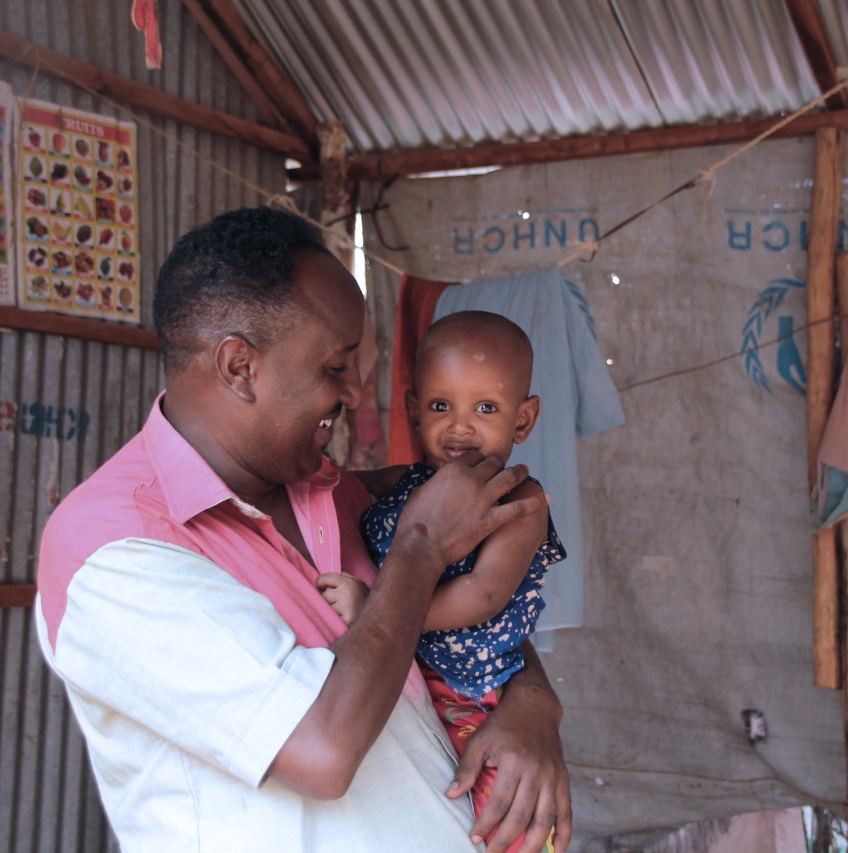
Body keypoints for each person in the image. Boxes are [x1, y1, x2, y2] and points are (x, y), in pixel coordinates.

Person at [33, 206, 571, 853]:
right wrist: (420, 547)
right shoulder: (111, 551)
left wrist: (533, 705)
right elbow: (323, 750)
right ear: (240, 366)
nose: (354, 393)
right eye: (334, 366)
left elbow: (474, 606)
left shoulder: (335, 491)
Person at [317, 311, 565, 852]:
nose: (459, 426)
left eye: (485, 408)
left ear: (523, 421)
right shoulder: (405, 483)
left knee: (502, 809)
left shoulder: (519, 502)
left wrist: (377, 606)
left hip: (476, 692)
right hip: (400, 684)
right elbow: (330, 483)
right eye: (439, 406)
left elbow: (484, 594)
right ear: (412, 410)